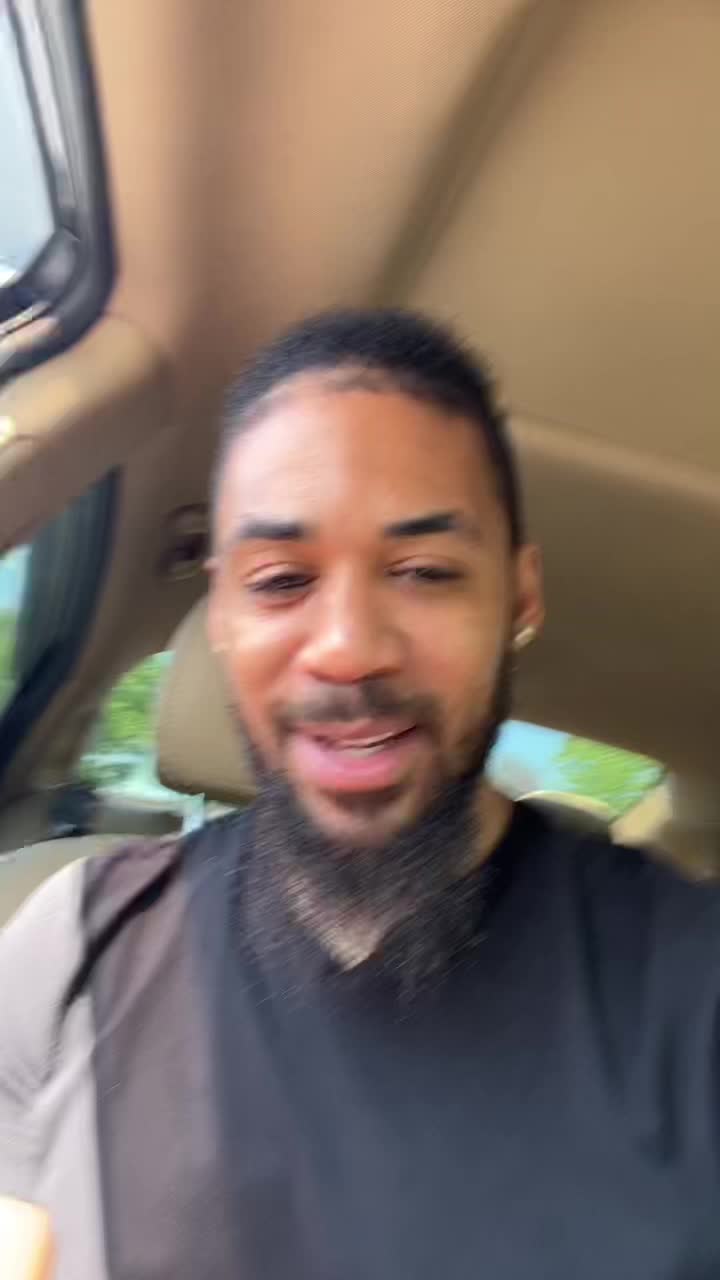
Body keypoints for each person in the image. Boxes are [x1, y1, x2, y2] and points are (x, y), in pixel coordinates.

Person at [1, 308, 719, 1280]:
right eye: (280, 579)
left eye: (423, 571)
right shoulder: (71, 943)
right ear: (221, 610)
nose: (346, 648)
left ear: (519, 595)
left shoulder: (690, 984)